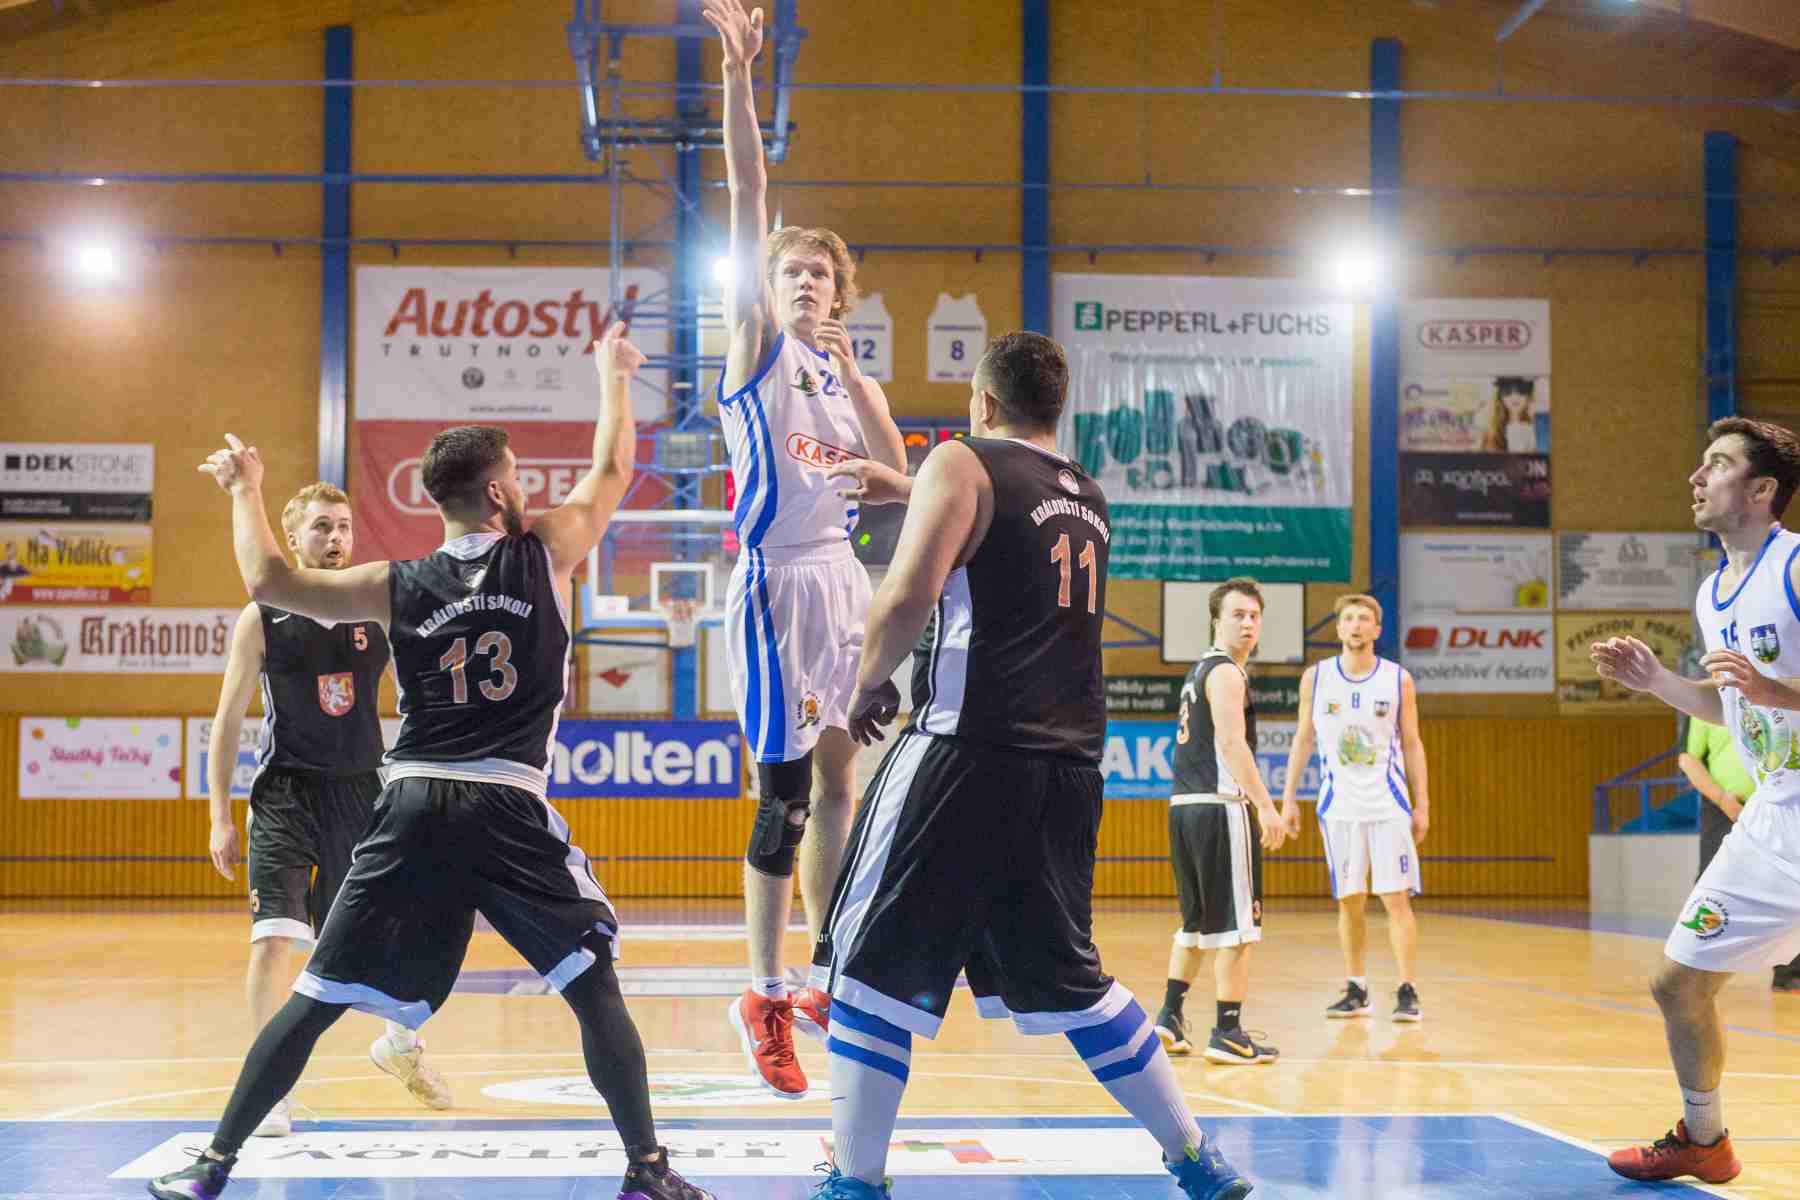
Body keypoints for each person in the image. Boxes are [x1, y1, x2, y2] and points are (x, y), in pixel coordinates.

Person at [149, 329, 711, 1200]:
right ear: (499, 493)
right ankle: (647, 1171)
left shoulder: (395, 582)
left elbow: (267, 578)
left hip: (407, 801)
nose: (525, 489)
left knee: (316, 995)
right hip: (504, 800)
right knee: (592, 982)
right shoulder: (545, 551)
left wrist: (246, 490)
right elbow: (612, 467)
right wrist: (612, 377)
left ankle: (211, 1165)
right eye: (518, 477)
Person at [807, 331, 1252, 1200]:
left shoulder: (961, 461)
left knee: (862, 972)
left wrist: (866, 684)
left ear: (982, 403)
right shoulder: (1086, 494)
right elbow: (1005, 526)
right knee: (1074, 982)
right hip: (1068, 770)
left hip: (965, 752)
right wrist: (909, 485)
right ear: (1055, 408)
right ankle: (1197, 1158)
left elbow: (907, 593)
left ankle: (854, 1182)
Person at [703, 0, 909, 1100]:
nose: (804, 283)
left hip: (844, 577)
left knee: (842, 780)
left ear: (840, 292)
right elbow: (749, 198)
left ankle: (827, 968)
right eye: (791, 272)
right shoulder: (755, 350)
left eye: (821, 275)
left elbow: (907, 479)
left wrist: (864, 379)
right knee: (782, 796)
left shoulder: (842, 375)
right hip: (776, 583)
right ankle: (764, 991)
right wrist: (740, 77)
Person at [204, 481, 451, 1137]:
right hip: (285, 793)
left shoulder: (376, 612)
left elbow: (424, 697)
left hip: (361, 793)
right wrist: (219, 816)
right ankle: (270, 1092)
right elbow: (227, 719)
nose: (336, 538)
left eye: (343, 526)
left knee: (391, 929)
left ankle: (399, 1045)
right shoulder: (261, 617)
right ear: (292, 539)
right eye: (321, 527)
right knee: (274, 938)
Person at [1592, 416, 1800, 1185]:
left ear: (1762, 488)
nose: (1696, 476)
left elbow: (1765, 692)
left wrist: (1779, 691)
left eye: (1717, 464)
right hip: (1778, 811)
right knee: (1678, 984)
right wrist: (1658, 682)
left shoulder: (1796, 567)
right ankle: (1704, 1140)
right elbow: (1728, 705)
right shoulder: (1713, 595)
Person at [1152, 578, 1288, 1066]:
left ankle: (1169, 1017)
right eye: (1238, 614)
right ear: (1216, 620)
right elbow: (1232, 744)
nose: (1248, 623)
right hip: (1220, 806)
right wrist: (1266, 807)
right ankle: (1228, 1032)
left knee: (1195, 923)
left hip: (1184, 809)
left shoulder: (1198, 670)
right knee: (1239, 928)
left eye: (1254, 615)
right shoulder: (1227, 672)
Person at [1281, 593, 1431, 1023]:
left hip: (1388, 804)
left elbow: (1413, 743)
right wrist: (1288, 799)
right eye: (1348, 618)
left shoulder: (1398, 679)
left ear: (1377, 629)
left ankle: (1407, 988)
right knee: (1349, 900)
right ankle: (1357, 987)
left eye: (1364, 618)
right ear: (1338, 628)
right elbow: (1303, 739)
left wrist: (1422, 803)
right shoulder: (1316, 678)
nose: (1356, 625)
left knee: (1396, 898)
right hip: (1339, 806)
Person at [1680, 716, 1751, 878]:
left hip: (1777, 810)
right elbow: (1687, 759)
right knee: (1714, 879)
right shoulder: (1703, 707)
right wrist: (1722, 800)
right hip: (1723, 811)